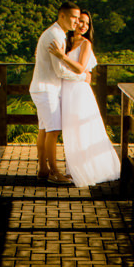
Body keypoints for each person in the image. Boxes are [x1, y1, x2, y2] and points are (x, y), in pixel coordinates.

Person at [48, 10, 121, 188]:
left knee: (81, 129)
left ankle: (85, 169)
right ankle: (73, 168)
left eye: (87, 24)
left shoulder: (85, 43)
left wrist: (62, 56)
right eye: (81, 21)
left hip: (79, 92)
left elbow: (81, 68)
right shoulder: (65, 40)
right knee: (70, 131)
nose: (83, 26)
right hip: (65, 90)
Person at [29, 1, 86, 184]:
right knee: (53, 131)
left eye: (78, 18)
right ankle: (54, 172)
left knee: (44, 129)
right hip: (46, 89)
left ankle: (43, 169)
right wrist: (82, 77)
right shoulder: (55, 35)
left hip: (43, 87)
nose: (77, 22)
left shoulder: (56, 33)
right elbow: (59, 71)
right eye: (73, 18)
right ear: (62, 16)